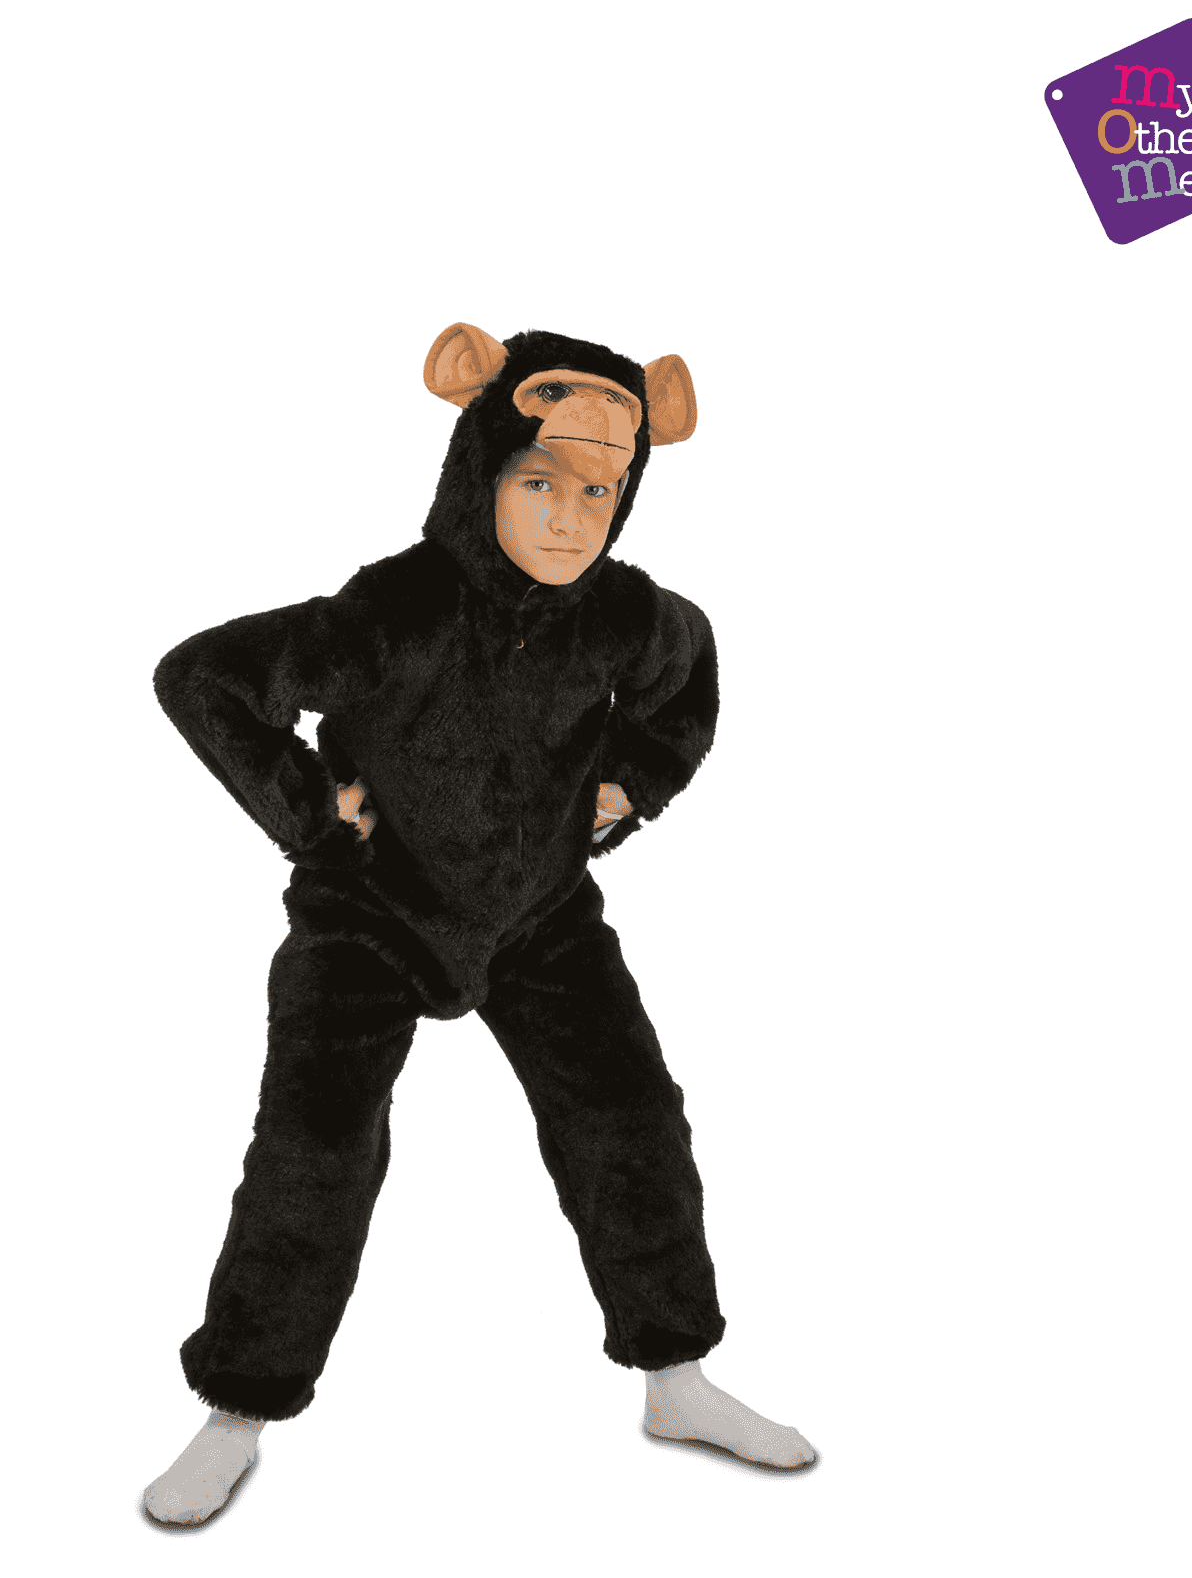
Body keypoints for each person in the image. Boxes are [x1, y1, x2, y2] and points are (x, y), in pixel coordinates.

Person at [142, 326, 815, 1528]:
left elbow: (687, 674)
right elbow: (202, 675)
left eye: (598, 492)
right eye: (539, 481)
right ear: (480, 472)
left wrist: (629, 785)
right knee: (315, 1144)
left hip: (540, 914)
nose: (569, 518)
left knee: (628, 1117)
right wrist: (310, 812)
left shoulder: (622, 613)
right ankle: (236, 1409)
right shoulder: (392, 608)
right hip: (370, 913)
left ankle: (677, 1376)